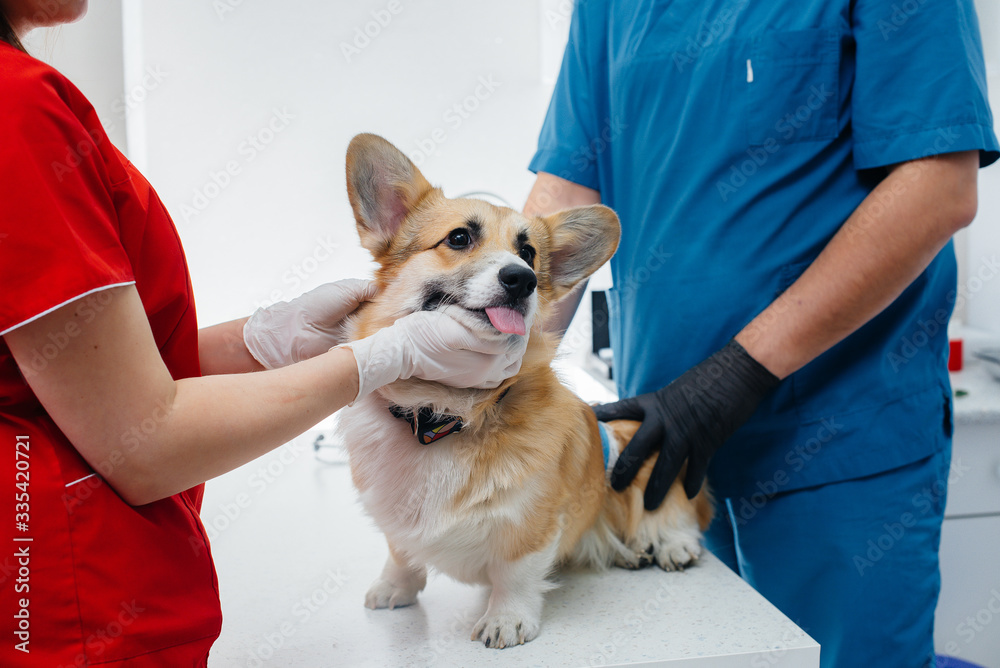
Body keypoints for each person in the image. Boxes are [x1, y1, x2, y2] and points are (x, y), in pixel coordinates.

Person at [0, 2, 526, 665]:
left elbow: (83, 378)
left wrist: (264, 343)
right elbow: (142, 443)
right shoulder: (15, 107)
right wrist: (381, 356)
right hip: (62, 603)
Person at [524, 1, 997, 666]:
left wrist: (736, 372)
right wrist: (496, 361)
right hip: (669, 455)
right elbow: (569, 195)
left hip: (838, 448)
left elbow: (936, 190)